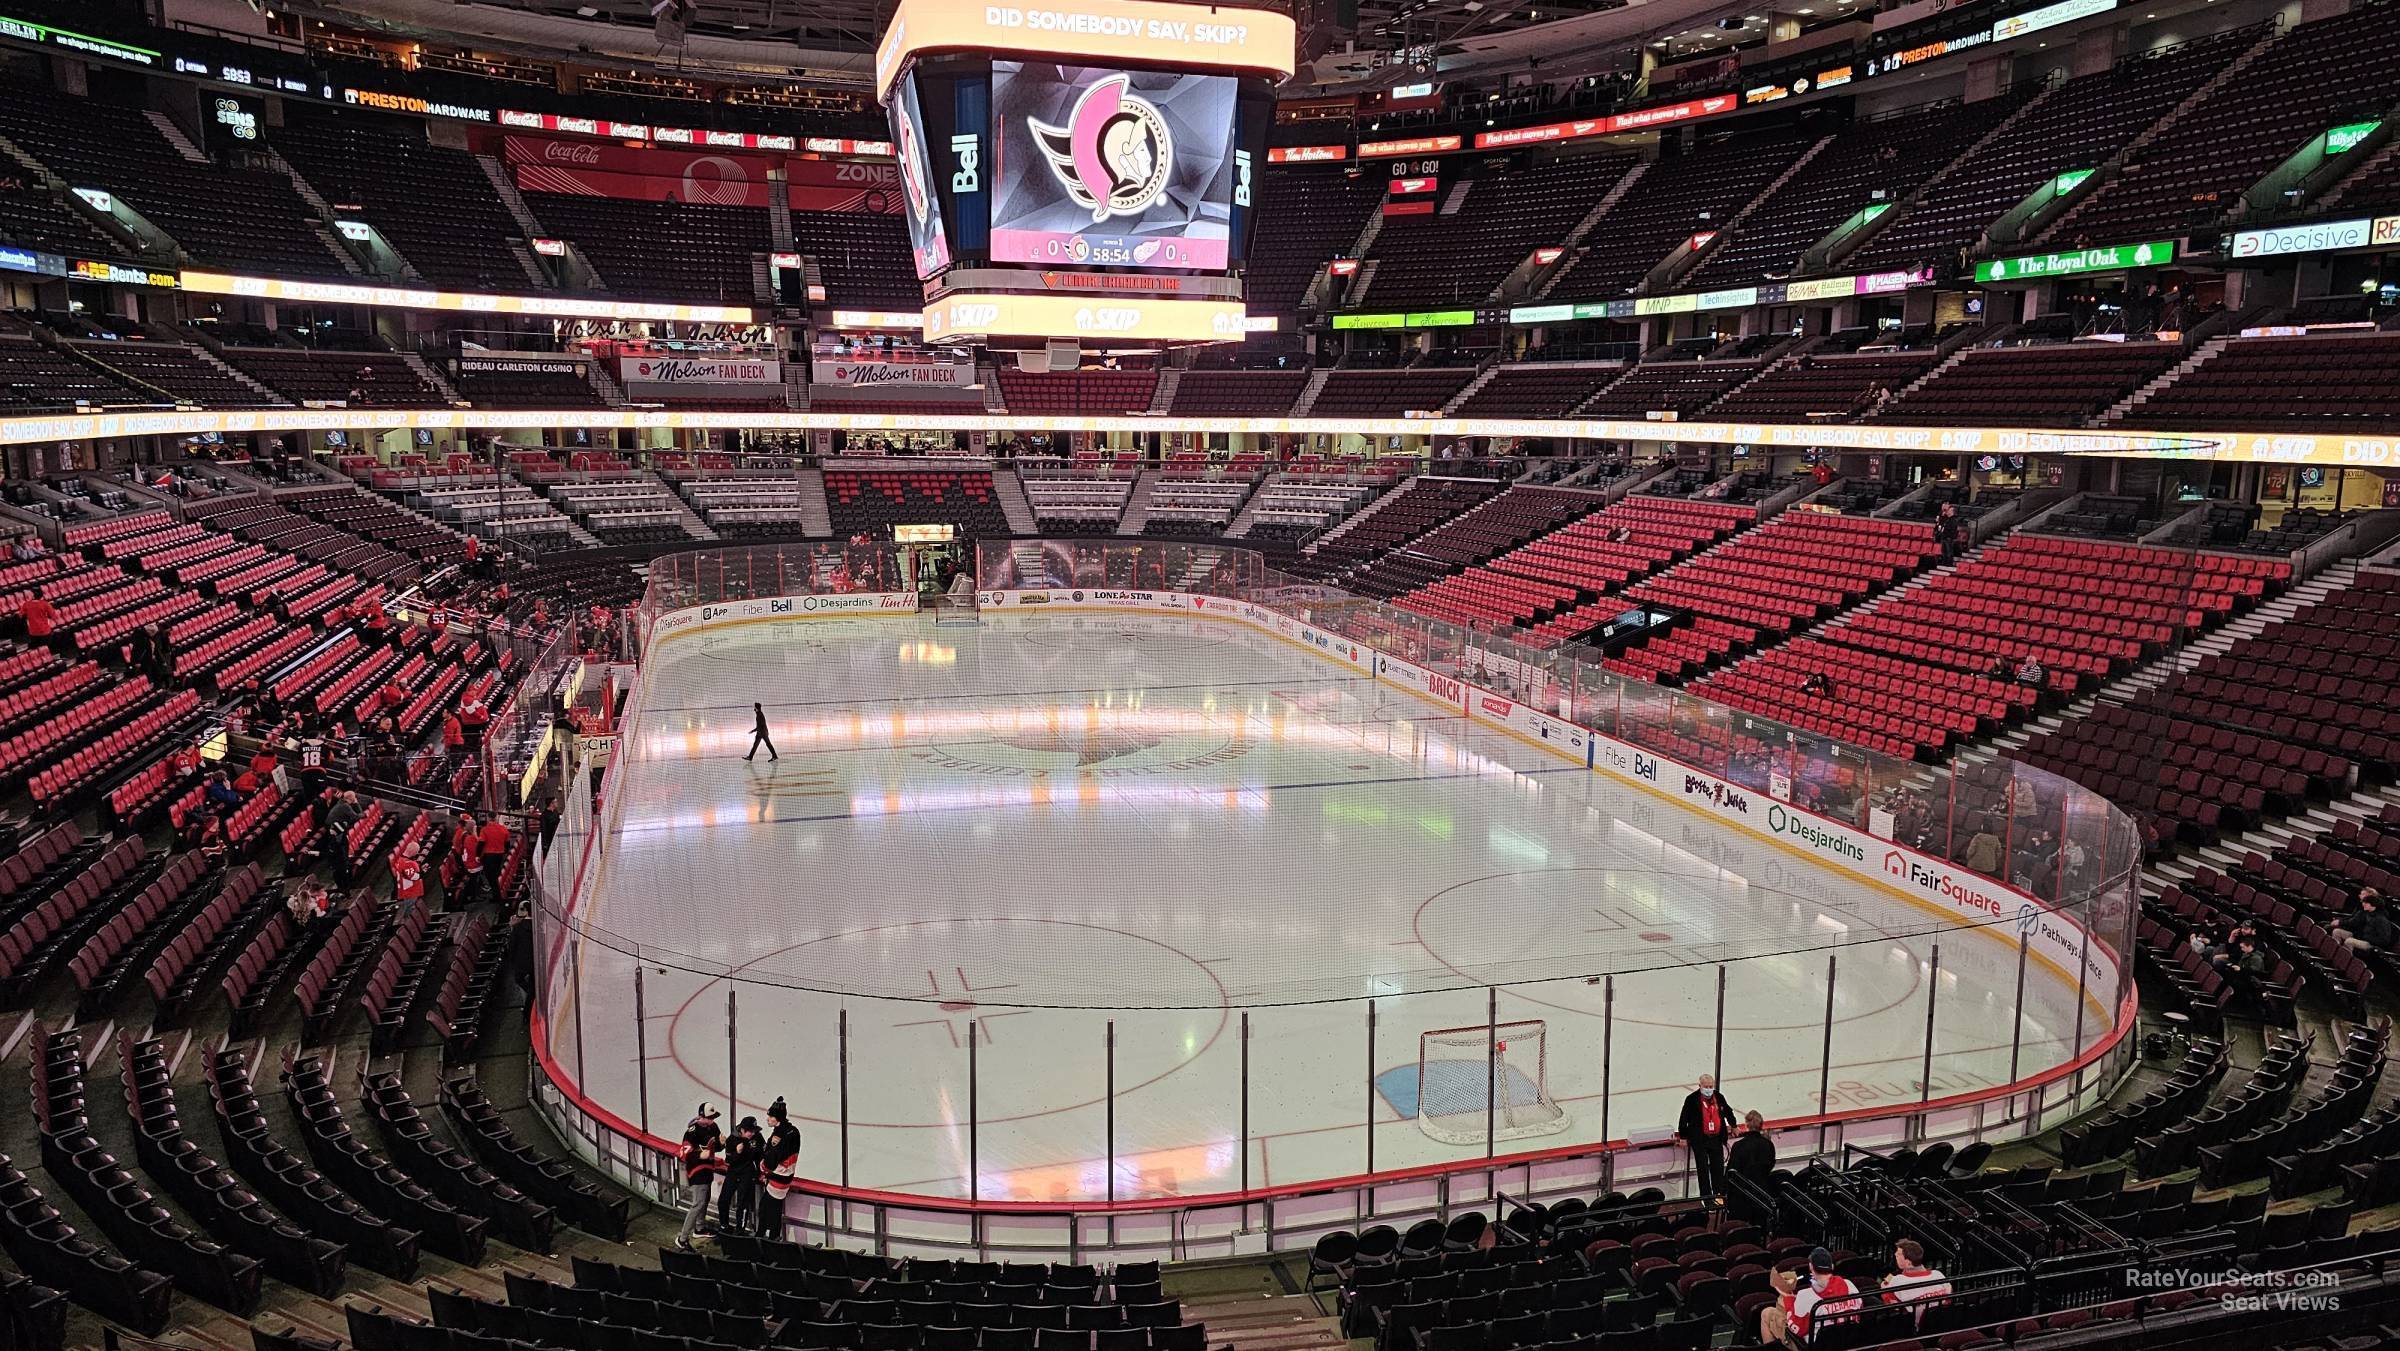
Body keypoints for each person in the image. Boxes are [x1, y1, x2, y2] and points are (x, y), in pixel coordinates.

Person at [1675, 1074, 1735, 1201]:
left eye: (1710, 1086)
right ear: (1700, 1086)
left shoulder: (1718, 1097)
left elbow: (1728, 1111)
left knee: (1718, 1168)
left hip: (1716, 1139)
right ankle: (1706, 1198)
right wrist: (1683, 1136)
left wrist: (1733, 1125)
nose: (1708, 1089)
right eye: (1706, 1086)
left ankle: (1718, 1195)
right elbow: (1683, 1119)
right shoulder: (1691, 1099)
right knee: (1702, 1170)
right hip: (1700, 1140)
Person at [674, 1104, 724, 1251]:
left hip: (708, 1169)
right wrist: (700, 1155)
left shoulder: (713, 1127)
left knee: (705, 1199)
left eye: (714, 1118)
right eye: (710, 1118)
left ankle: (699, 1229)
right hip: (696, 1171)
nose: (713, 1121)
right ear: (702, 1117)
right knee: (698, 1203)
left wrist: (722, 1143)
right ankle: (682, 1238)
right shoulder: (692, 1132)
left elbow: (718, 1147)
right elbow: (684, 1154)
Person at [1788, 1247, 1864, 1342]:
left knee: (1768, 1313)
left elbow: (1796, 1329)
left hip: (1819, 1346)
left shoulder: (1805, 1295)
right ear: (1832, 1266)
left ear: (1811, 1267)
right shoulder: (1850, 1285)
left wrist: (1788, 1300)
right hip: (1850, 1341)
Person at [760, 1096, 800, 1236]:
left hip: (777, 1179)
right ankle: (770, 1238)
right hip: (787, 1176)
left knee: (767, 1211)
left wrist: (763, 1167)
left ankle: (769, 1240)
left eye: (770, 1116)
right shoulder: (793, 1130)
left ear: (777, 1118)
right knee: (770, 1209)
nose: (768, 1119)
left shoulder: (779, 1136)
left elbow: (770, 1161)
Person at [1882, 1239, 1951, 1319]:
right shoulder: (1938, 1274)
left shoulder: (1896, 1281)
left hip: (1916, 1326)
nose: (1895, 1254)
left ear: (1908, 1262)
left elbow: (1893, 1305)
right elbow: (1948, 1300)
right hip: (1945, 1321)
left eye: (1899, 1254)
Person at [719, 1116, 763, 1234]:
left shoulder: (757, 1137)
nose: (752, 1133)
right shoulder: (732, 1139)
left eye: (754, 1131)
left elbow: (762, 1155)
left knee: (743, 1203)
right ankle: (724, 1227)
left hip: (748, 1174)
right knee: (723, 1200)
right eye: (749, 1131)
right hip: (733, 1172)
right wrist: (737, 1153)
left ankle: (740, 1230)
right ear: (742, 1130)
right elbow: (728, 1160)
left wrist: (760, 1172)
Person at [1728, 1109, 1776, 1185]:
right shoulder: (1768, 1144)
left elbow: (1732, 1171)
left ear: (1746, 1125)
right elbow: (1771, 1164)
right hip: (1764, 1188)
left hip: (1744, 1190)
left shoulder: (1738, 1146)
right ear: (1761, 1125)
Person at [479, 813, 511, 899]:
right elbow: (507, 843)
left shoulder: (484, 830)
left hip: (489, 855)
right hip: (500, 855)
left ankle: (496, 895)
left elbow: (481, 843)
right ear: (496, 818)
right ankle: (497, 892)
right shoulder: (503, 829)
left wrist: (477, 855)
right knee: (496, 874)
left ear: (488, 818)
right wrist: (505, 852)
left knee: (490, 875)